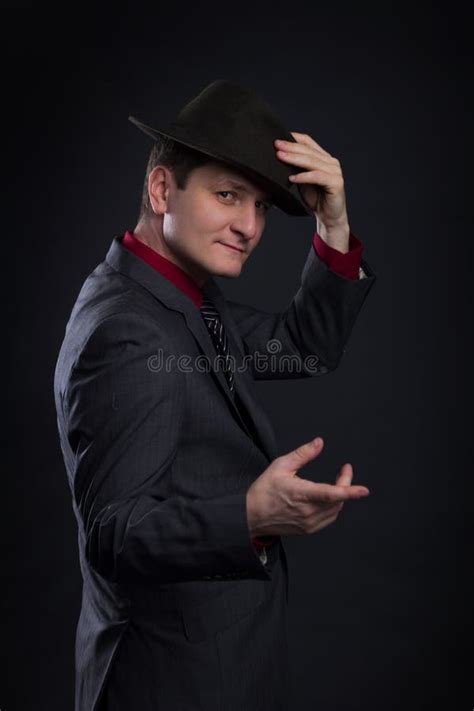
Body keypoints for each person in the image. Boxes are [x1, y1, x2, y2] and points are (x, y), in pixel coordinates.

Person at [53, 79, 377, 711]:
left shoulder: (178, 294)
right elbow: (112, 534)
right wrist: (250, 517)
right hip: (172, 681)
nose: (249, 226)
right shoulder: (126, 327)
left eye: (259, 205)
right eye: (228, 195)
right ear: (160, 188)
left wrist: (332, 223)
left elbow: (302, 347)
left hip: (215, 663)